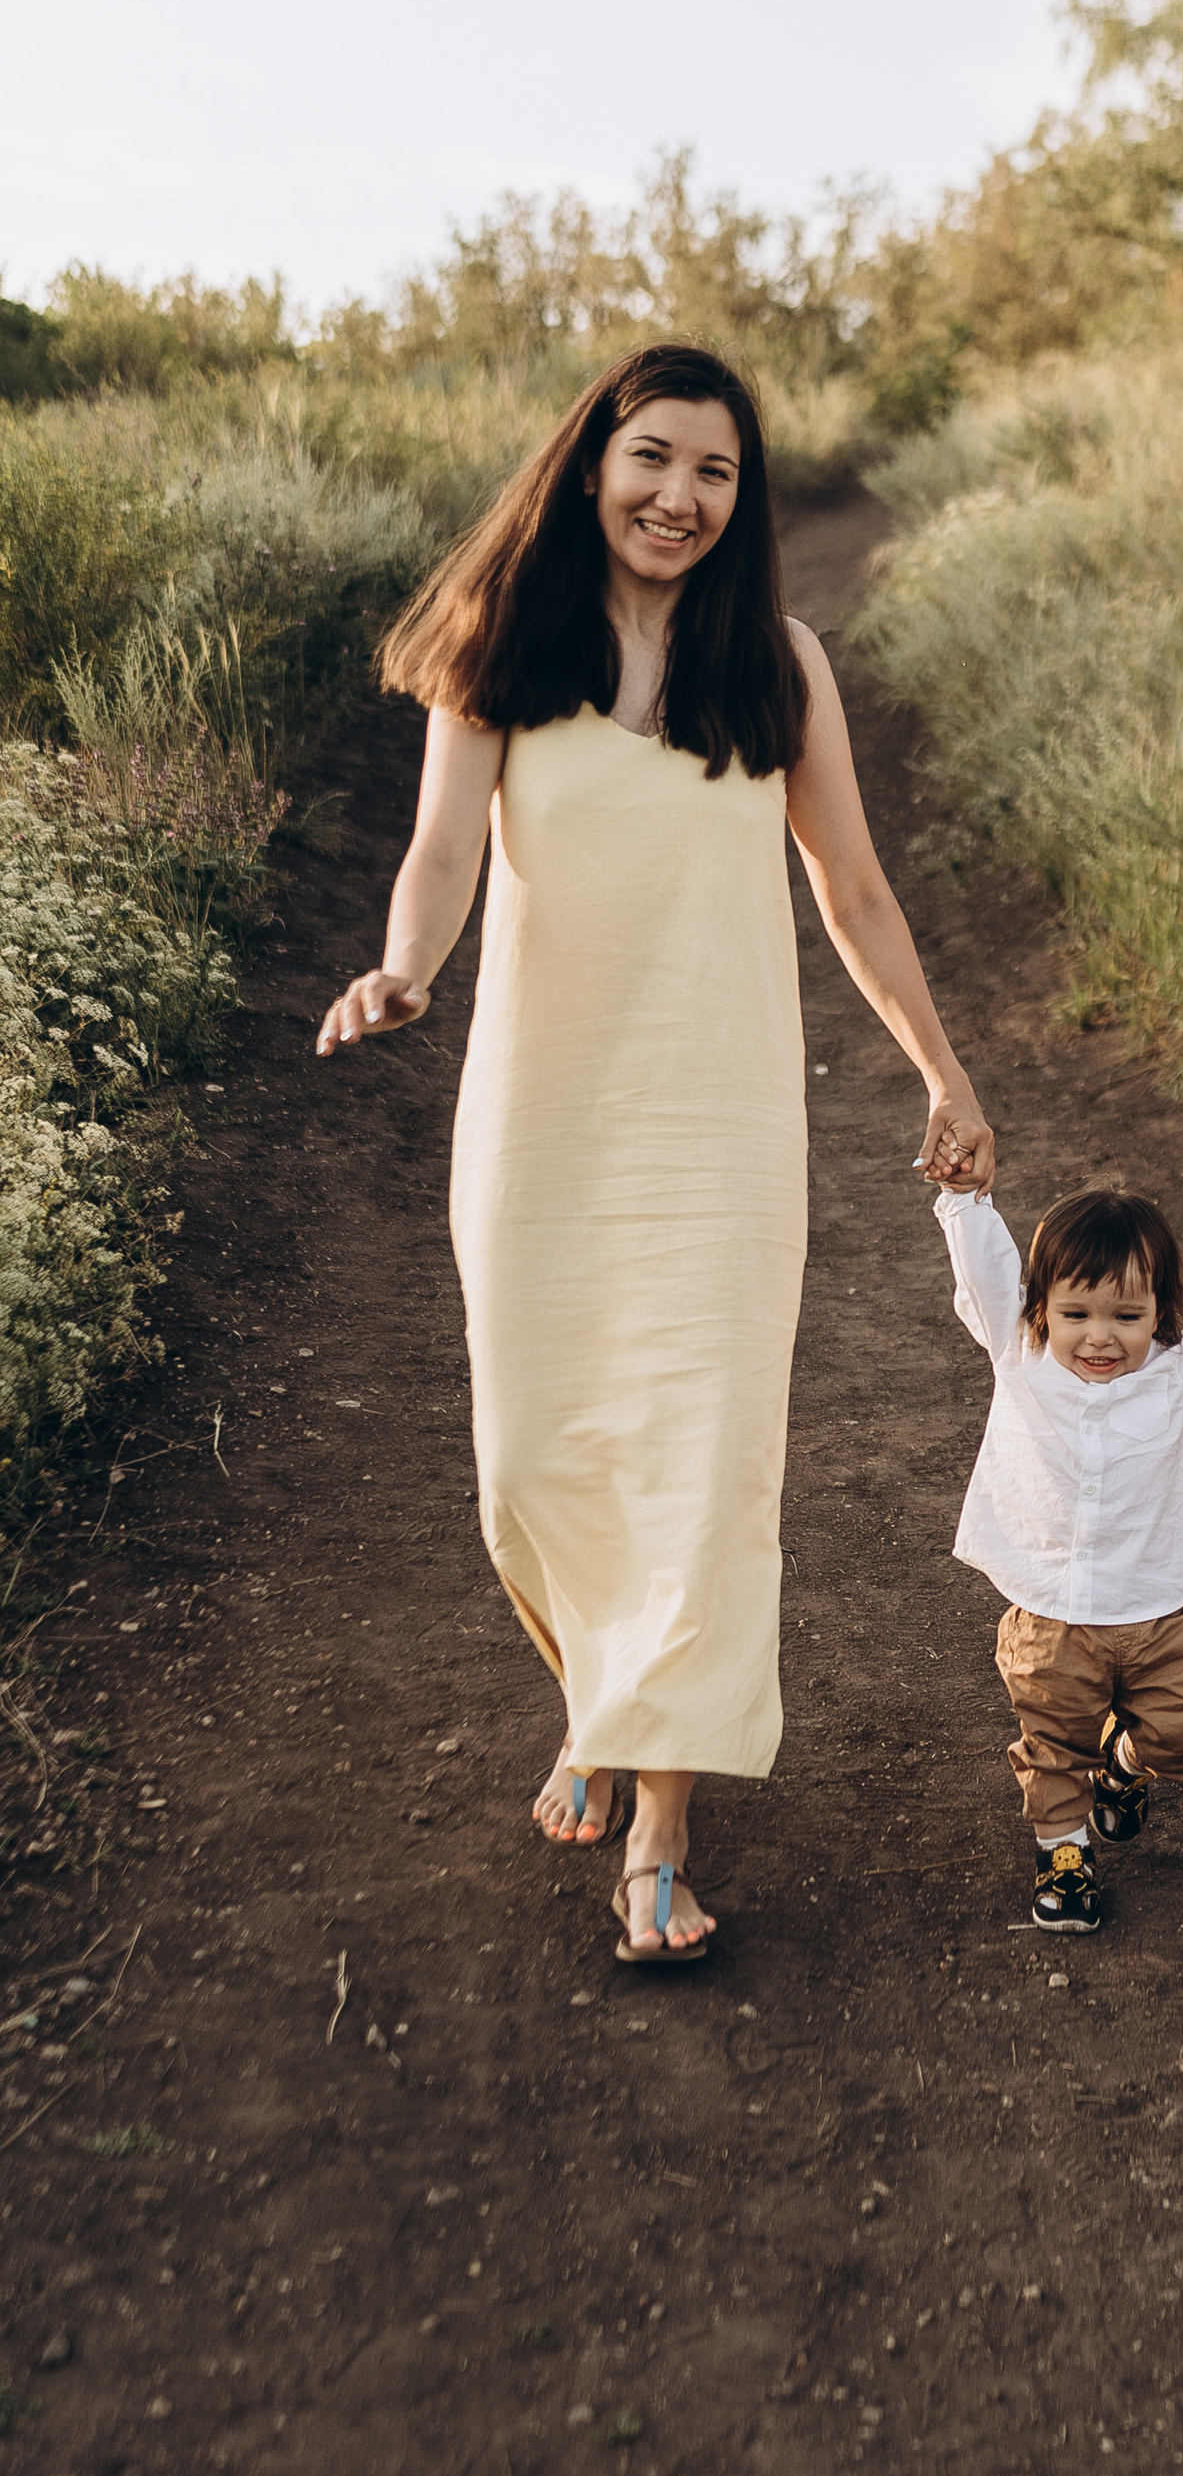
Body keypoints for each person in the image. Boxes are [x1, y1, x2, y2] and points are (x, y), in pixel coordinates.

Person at [316, 341, 993, 1967]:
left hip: (721, 1116)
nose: (681, 497)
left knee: (698, 1460)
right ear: (591, 461)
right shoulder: (502, 646)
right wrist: (405, 963)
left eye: (717, 474)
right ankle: (601, 1696)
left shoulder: (780, 666)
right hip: (541, 1112)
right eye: (655, 459)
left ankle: (665, 1833)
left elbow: (858, 894)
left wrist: (946, 1077)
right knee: (532, 1462)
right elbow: (438, 853)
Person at [935, 1178, 1183, 1930]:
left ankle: (1122, 1767)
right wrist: (963, 1195)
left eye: (1127, 1316)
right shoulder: (1020, 1356)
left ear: (1163, 1314)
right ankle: (1066, 1857)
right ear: (1039, 1308)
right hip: (1049, 1619)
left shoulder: (1176, 1369)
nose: (1100, 1337)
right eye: (1075, 1314)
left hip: (1154, 1618)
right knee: (1053, 1747)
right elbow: (983, 1264)